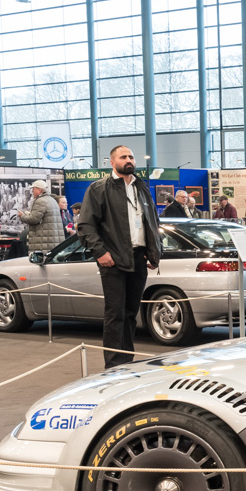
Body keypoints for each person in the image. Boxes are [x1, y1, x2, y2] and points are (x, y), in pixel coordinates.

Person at [76, 146, 162, 368]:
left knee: (131, 313)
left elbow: (153, 221)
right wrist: (100, 253)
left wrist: (154, 252)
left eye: (131, 156)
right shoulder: (99, 188)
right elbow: (85, 226)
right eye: (123, 157)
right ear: (112, 162)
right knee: (115, 314)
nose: (129, 160)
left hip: (138, 257)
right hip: (112, 259)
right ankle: (114, 365)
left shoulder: (141, 188)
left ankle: (127, 362)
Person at [17, 180, 66, 254]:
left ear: (39, 190)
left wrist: (22, 216)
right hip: (52, 241)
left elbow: (34, 219)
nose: (32, 191)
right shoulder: (52, 200)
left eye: (33, 189)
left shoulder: (40, 201)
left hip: (43, 243)